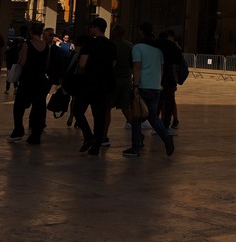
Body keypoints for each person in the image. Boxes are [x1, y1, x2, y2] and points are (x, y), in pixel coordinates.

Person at [123, 22, 174, 158]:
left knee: (136, 116)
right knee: (152, 116)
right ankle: (166, 136)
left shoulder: (137, 47)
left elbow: (137, 67)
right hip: (155, 86)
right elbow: (161, 68)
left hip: (143, 86)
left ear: (140, 31)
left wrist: (135, 86)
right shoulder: (158, 49)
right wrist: (159, 82)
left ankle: (136, 146)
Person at [69, 17, 115, 156]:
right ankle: (96, 147)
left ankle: (88, 136)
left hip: (88, 83)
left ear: (95, 28)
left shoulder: (90, 43)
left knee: (78, 110)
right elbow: (113, 65)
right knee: (99, 116)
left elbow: (82, 64)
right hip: (104, 84)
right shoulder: (111, 45)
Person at [8, 22, 51, 145]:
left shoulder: (27, 44)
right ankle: (36, 134)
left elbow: (22, 62)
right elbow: (47, 64)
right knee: (39, 107)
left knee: (19, 106)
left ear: (31, 31)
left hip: (27, 79)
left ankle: (18, 129)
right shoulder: (46, 46)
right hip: (40, 79)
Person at [107, 24, 134, 145]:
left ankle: (104, 136)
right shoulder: (130, 46)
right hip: (126, 79)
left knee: (107, 108)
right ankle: (137, 133)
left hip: (112, 79)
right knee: (126, 108)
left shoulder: (110, 45)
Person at [156, 30, 186, 132]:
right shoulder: (175, 48)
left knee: (164, 101)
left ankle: (165, 122)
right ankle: (166, 122)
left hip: (164, 78)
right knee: (169, 100)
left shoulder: (163, 47)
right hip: (171, 79)